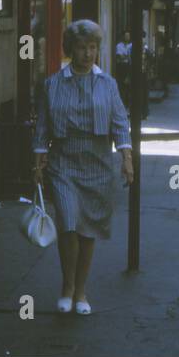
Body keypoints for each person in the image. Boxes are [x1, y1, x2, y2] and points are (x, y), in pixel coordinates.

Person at [33, 20, 135, 316]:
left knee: (88, 229)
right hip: (64, 162)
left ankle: (81, 290)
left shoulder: (108, 84)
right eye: (81, 47)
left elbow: (120, 123)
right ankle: (67, 287)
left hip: (99, 163)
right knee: (68, 223)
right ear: (70, 49)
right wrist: (37, 163)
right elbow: (41, 129)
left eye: (93, 47)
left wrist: (127, 159)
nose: (88, 54)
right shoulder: (52, 84)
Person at [114, 31, 133, 105]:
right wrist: (127, 56)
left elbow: (131, 57)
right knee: (121, 84)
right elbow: (119, 57)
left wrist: (126, 56)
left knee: (129, 86)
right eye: (126, 36)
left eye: (128, 36)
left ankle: (128, 102)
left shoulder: (131, 45)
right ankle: (121, 102)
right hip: (121, 67)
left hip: (129, 66)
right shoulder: (119, 45)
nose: (127, 37)